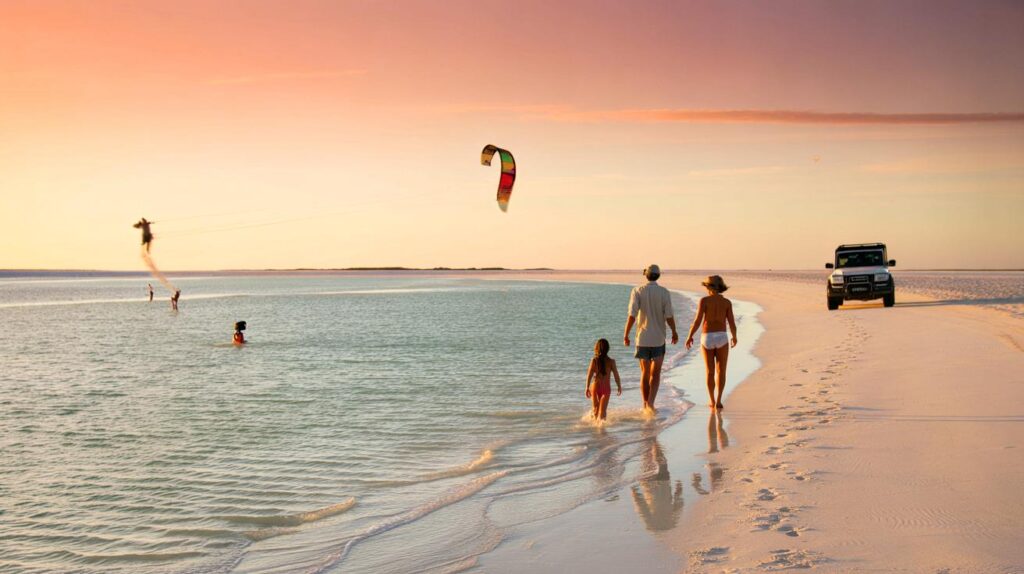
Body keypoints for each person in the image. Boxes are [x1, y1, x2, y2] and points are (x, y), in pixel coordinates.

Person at [624, 264, 678, 412]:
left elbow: (632, 315)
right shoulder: (664, 292)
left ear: (646, 275)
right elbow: (669, 316)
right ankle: (651, 404)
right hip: (658, 339)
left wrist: (626, 334)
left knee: (645, 373)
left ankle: (644, 403)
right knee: (656, 373)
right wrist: (674, 331)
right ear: (658, 276)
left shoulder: (637, 291)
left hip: (642, 338)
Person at [685, 275, 737, 410]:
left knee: (709, 371)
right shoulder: (726, 302)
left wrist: (690, 336)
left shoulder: (704, 301)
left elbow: (697, 321)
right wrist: (734, 336)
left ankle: (712, 400)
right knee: (722, 371)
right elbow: (731, 322)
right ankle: (719, 400)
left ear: (708, 287)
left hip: (707, 337)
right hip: (721, 337)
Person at [585, 338, 621, 420]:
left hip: (595, 387)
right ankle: (601, 429)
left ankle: (593, 427)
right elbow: (616, 376)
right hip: (606, 389)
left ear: (596, 348)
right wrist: (619, 386)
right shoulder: (611, 361)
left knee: (595, 409)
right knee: (602, 411)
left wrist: (587, 387)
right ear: (608, 349)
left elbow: (589, 375)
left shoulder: (594, 360)